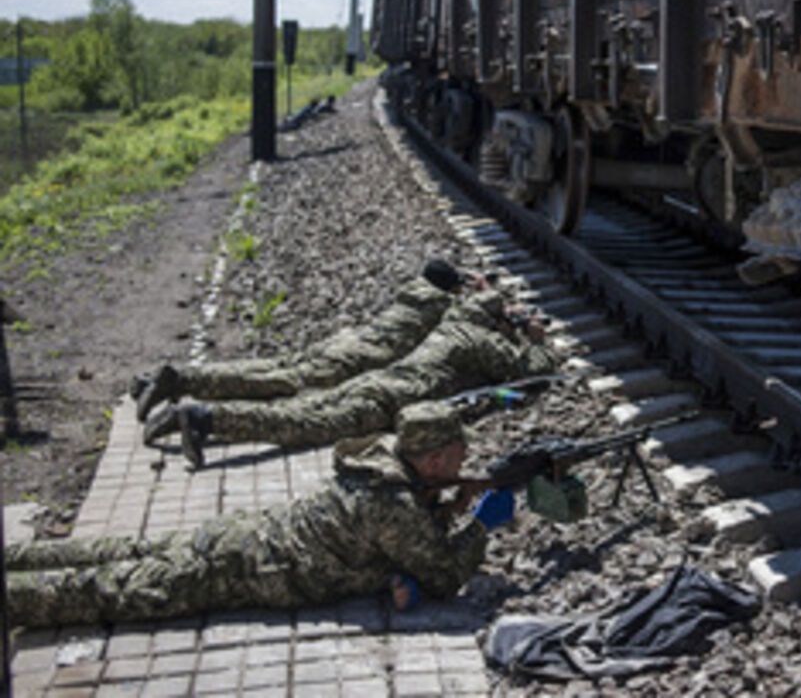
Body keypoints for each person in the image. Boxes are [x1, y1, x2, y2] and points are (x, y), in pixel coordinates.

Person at [5, 402, 517, 628]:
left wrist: (449, 505)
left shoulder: (381, 460)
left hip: (245, 536)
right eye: (456, 457)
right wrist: (479, 526)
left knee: (121, 551)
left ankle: (18, 555)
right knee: (118, 590)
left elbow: (406, 536)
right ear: (432, 461)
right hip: (248, 571)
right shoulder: (394, 505)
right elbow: (446, 574)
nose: (462, 464)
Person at [143, 283, 558, 467]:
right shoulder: (477, 338)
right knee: (300, 424)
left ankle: (194, 406)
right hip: (385, 399)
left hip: (376, 384)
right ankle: (204, 418)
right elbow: (532, 376)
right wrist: (535, 340)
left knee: (295, 406)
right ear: (495, 321)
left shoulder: (453, 323)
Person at [131, 258, 471, 422]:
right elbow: (471, 318)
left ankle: (173, 380)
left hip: (344, 343)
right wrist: (480, 291)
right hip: (356, 359)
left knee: (271, 367)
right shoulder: (440, 305)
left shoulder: (412, 295)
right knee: (278, 383)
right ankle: (177, 383)